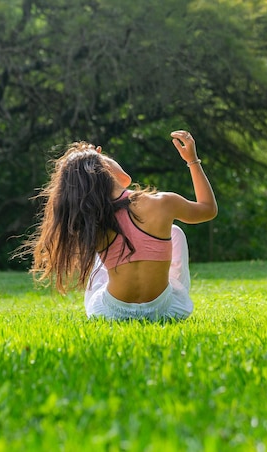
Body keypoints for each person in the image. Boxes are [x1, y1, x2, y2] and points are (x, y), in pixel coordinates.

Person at [26, 130, 217, 321]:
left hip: (110, 313)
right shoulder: (162, 203)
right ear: (106, 169)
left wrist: (93, 161)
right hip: (164, 310)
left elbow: (121, 184)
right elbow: (208, 209)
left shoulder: (92, 217)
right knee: (175, 232)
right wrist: (192, 160)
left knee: (100, 251)